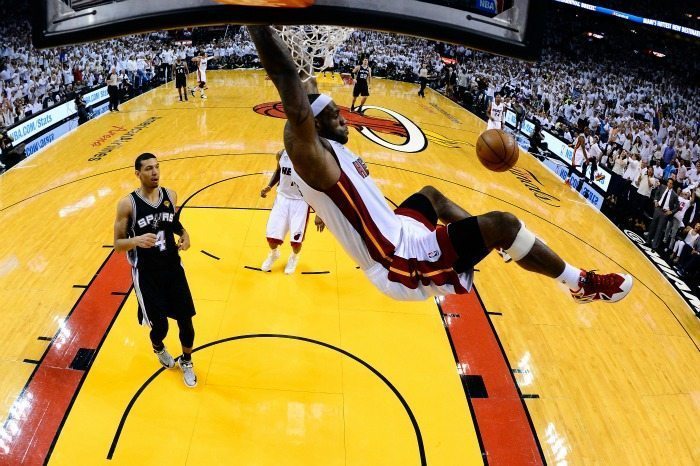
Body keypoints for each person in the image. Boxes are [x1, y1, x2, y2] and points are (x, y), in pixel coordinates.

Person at [248, 25, 633, 304]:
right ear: (313, 125)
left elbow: (303, 84)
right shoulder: (312, 157)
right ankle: (579, 282)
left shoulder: (323, 143)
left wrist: (299, 54)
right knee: (505, 223)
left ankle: (495, 243)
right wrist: (252, 16)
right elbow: (287, 82)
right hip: (396, 260)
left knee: (431, 196)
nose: (346, 118)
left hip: (400, 228)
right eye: (336, 116)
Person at [113, 153, 198, 388]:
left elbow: (173, 223)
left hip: (173, 268)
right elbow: (118, 245)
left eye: (157, 167)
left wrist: (185, 234)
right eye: (149, 169)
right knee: (160, 327)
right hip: (147, 275)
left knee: (186, 321)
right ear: (138, 174)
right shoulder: (127, 204)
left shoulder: (170, 195)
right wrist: (137, 240)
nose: (155, 173)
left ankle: (187, 361)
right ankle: (158, 347)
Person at [260, 149, 325, 273]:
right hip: (282, 199)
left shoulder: (311, 159)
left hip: (300, 201)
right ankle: (274, 254)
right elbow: (279, 171)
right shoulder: (281, 154)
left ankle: (294, 257)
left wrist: (319, 212)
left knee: (296, 240)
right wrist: (269, 186)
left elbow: (318, 185)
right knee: (271, 236)